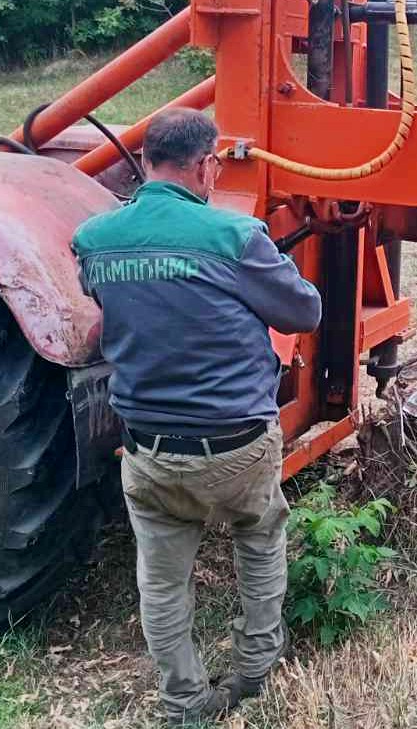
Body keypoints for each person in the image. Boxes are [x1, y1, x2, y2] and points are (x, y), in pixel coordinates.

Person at [72, 109, 323, 726]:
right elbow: (304, 313)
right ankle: (254, 673)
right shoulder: (233, 237)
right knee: (259, 540)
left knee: (161, 581)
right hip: (237, 445)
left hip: (149, 452)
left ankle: (186, 700)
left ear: (146, 160)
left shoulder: (95, 238)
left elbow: (108, 302)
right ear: (206, 164)